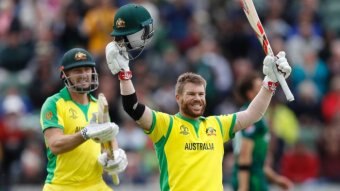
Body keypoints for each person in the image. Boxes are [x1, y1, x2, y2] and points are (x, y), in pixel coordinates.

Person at [106, 3, 292, 191]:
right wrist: (124, 74)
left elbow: (254, 114)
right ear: (178, 98)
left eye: (201, 94)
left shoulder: (216, 125)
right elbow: (133, 107)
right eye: (191, 94)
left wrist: (270, 81)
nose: (197, 98)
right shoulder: (166, 125)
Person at [40, 47, 128, 191]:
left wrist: (114, 158)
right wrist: (85, 134)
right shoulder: (54, 104)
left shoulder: (98, 105)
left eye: (87, 69)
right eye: (77, 71)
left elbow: (109, 143)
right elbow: (55, 144)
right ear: (64, 74)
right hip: (61, 185)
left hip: (95, 184)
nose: (84, 75)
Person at [232, 72, 293, 191]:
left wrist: (276, 179)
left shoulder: (255, 116)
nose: (265, 89)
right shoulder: (251, 117)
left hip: (255, 177)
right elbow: (245, 155)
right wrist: (243, 187)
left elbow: (258, 162)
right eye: (260, 87)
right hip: (250, 181)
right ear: (250, 94)